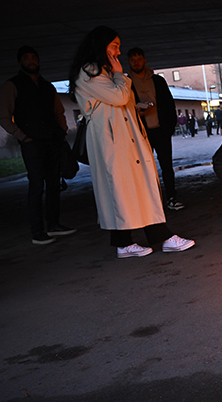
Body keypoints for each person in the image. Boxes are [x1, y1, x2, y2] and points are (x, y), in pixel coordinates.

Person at [68, 26, 194, 258]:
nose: (118, 50)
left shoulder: (101, 71)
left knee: (129, 187)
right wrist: (119, 75)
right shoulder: (90, 72)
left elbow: (116, 102)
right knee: (123, 188)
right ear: (100, 45)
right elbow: (118, 96)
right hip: (112, 138)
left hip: (122, 135)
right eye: (114, 45)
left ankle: (127, 242)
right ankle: (156, 237)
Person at [0, 45, 77, 245]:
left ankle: (54, 225)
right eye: (26, 58)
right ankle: (37, 232)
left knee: (54, 184)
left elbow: (58, 112)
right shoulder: (12, 85)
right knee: (36, 185)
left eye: (34, 57)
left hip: (52, 140)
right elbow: (4, 116)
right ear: (20, 62)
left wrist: (61, 131)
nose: (31, 61)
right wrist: (22, 136)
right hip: (31, 143)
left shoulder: (47, 86)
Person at [126, 47, 184, 211]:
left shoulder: (158, 81)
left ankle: (171, 198)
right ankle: (150, 203)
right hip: (140, 133)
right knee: (144, 168)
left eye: (139, 59)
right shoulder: (126, 83)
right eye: (133, 60)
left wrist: (170, 126)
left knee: (167, 166)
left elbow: (169, 103)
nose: (136, 63)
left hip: (161, 130)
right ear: (129, 62)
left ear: (144, 60)